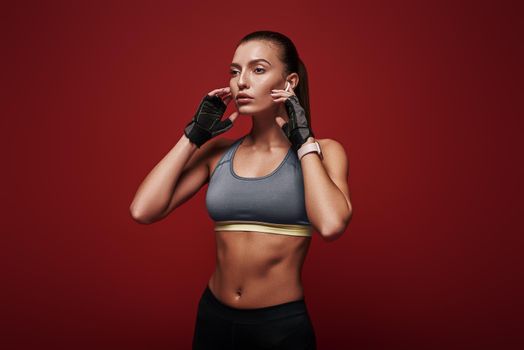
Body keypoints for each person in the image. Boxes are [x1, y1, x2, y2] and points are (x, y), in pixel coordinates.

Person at [130, 30, 353, 350]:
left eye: (258, 70)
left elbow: (331, 225)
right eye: (235, 71)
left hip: (280, 328)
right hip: (213, 319)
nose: (242, 82)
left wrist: (304, 142)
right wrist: (193, 136)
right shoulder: (218, 153)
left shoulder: (325, 152)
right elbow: (143, 210)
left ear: (289, 83)